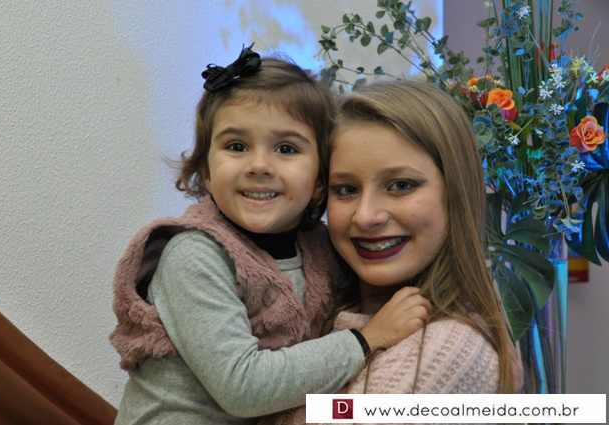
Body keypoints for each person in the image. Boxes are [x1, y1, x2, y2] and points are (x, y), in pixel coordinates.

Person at [109, 46, 432, 425]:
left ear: (320, 180)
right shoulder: (195, 255)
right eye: (236, 146)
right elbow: (243, 388)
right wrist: (366, 339)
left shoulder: (321, 249)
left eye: (286, 148)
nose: (259, 165)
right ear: (206, 172)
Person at [261, 79, 523, 425]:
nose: (366, 216)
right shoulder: (314, 311)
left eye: (401, 185)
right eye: (347, 189)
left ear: (456, 194)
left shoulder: (446, 351)